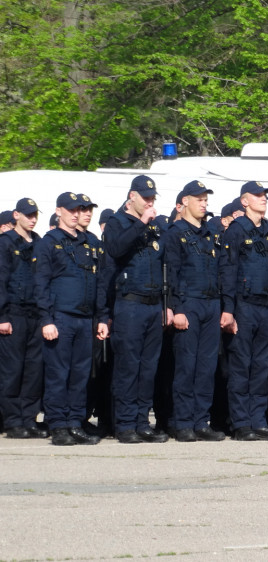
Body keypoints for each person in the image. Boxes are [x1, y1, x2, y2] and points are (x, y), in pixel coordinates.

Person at [100, 175, 170, 443]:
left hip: (153, 304)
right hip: (130, 303)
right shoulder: (117, 222)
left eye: (153, 198)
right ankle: (125, 424)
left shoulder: (154, 226)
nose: (150, 203)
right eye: (146, 198)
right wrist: (141, 223)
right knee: (128, 367)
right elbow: (116, 249)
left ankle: (142, 422)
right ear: (132, 197)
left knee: (148, 368)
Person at [34, 192, 109, 445]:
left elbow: (100, 283)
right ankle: (58, 425)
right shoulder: (49, 242)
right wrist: (46, 320)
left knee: (80, 375)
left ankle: (75, 422)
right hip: (60, 318)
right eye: (71, 210)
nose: (76, 214)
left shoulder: (90, 242)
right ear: (59, 211)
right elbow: (41, 284)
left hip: (85, 319)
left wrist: (102, 317)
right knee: (58, 374)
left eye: (80, 210)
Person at [219, 181, 268, 441]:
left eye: (264, 195)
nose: (263, 199)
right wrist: (228, 309)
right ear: (244, 201)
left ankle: (258, 420)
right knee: (241, 366)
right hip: (244, 305)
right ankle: (241, 423)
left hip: (267, 305)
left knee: (261, 367)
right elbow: (228, 270)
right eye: (257, 196)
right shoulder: (236, 230)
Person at [162, 180, 226, 442]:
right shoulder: (175, 232)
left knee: (206, 368)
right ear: (185, 202)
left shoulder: (210, 233)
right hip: (188, 304)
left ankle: (201, 421)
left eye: (205, 199)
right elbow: (172, 273)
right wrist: (176, 308)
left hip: (211, 303)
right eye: (199, 199)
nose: (204, 203)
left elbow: (221, 271)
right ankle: (182, 422)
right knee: (186, 367)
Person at [0, 198, 47, 438]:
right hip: (14, 313)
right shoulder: (5, 242)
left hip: (35, 314)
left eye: (35, 215)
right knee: (12, 370)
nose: (32, 219)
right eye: (28, 215)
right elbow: (1, 280)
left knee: (33, 371)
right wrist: (2, 316)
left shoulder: (39, 242)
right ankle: (13, 421)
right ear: (16, 215)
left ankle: (29, 419)